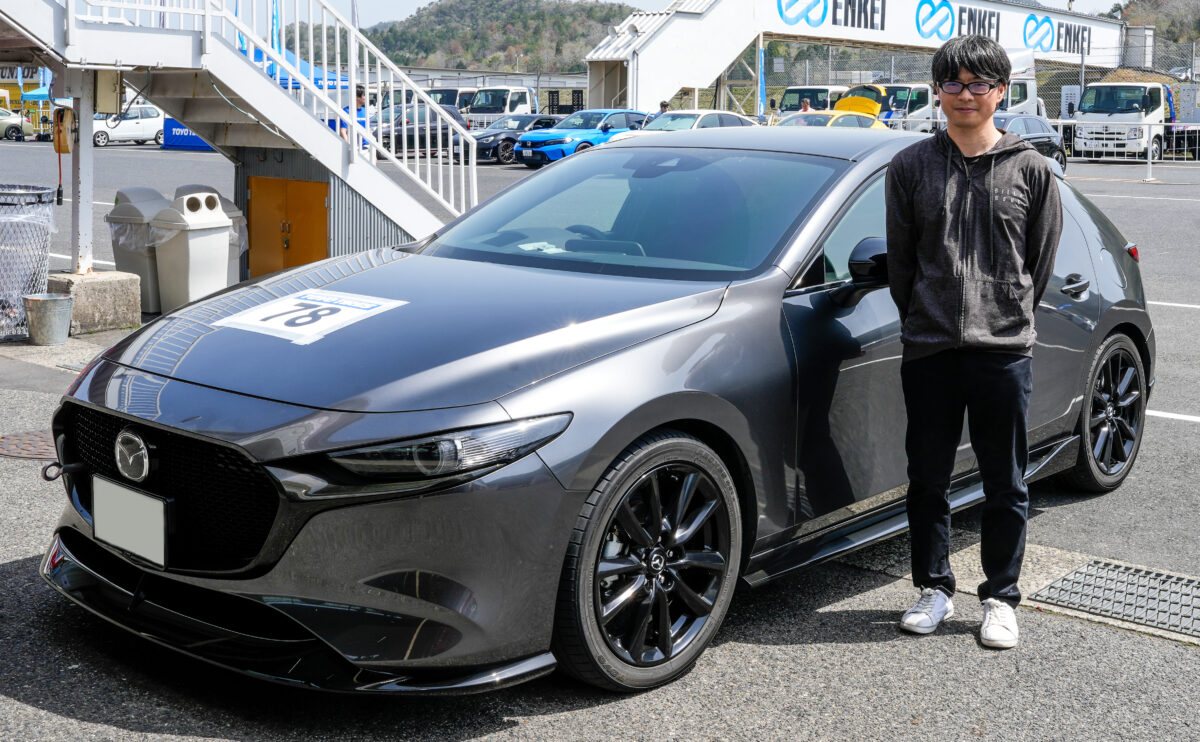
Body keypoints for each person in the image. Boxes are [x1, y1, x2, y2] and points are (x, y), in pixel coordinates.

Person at [884, 35, 1062, 649]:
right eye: (953, 83)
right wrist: (922, 317)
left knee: (1005, 480)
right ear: (937, 91)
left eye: (979, 83)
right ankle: (933, 588)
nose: (965, 94)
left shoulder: (1031, 169)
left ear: (1000, 92)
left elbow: (1037, 264)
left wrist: (1005, 315)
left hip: (1003, 350)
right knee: (927, 477)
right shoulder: (910, 166)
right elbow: (901, 262)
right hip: (929, 347)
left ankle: (1001, 597)